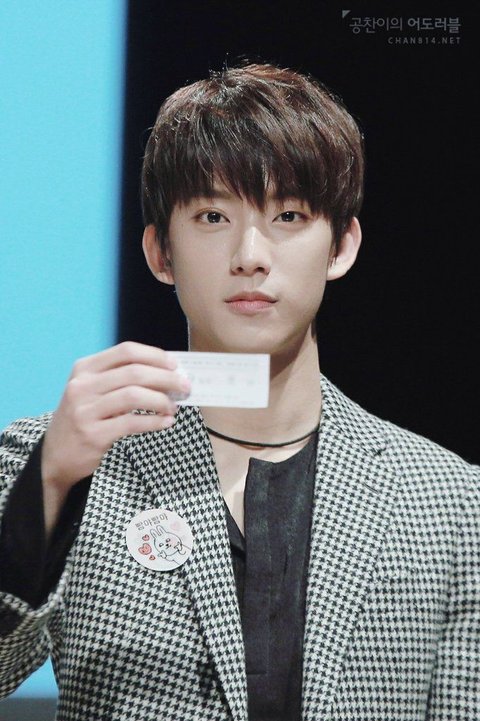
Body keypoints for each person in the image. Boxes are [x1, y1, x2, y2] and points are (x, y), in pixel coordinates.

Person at [0, 63, 478, 721]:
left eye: (288, 214)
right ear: (160, 253)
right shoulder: (58, 459)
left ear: (341, 246)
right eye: (212, 215)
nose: (250, 254)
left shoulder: (448, 500)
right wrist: (51, 483)